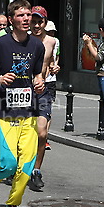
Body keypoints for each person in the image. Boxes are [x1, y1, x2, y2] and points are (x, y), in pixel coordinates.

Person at [0, 0, 45, 207]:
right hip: (5, 113)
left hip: (29, 113)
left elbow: (37, 74)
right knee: (8, 164)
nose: (26, 19)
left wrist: (39, 82)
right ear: (11, 19)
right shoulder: (0, 44)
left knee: (25, 167)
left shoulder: (37, 46)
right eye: (21, 15)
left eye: (29, 16)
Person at [29, 6, 60, 189]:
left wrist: (56, 68)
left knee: (42, 133)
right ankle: (20, 167)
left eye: (40, 22)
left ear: (45, 23)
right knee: (23, 134)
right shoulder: (22, 41)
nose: (36, 25)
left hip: (44, 88)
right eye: (33, 22)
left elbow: (53, 63)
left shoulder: (52, 42)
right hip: (24, 89)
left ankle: (36, 170)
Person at [42, 20, 60, 151]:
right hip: (37, 80)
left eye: (53, 32)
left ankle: (45, 138)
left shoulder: (55, 41)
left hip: (50, 80)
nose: (51, 34)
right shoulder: (35, 40)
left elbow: (56, 57)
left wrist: (54, 67)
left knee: (48, 111)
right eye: (49, 32)